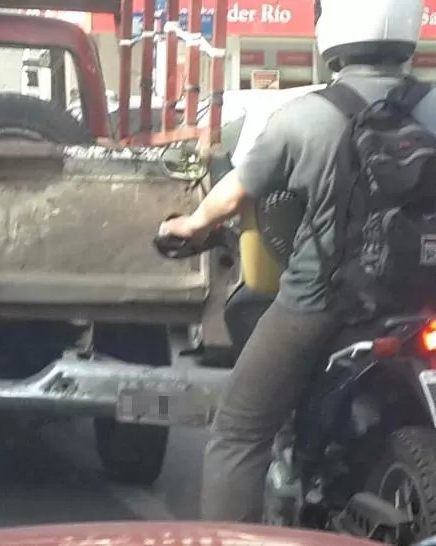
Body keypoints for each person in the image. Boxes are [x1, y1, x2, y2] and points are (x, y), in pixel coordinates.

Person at [158, 0, 436, 522]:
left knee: (239, 430)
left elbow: (235, 193)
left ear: (330, 30)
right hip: (424, 300)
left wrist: (191, 226)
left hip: (321, 304)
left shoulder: (302, 117)